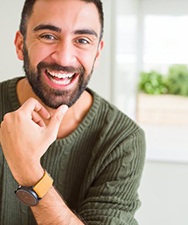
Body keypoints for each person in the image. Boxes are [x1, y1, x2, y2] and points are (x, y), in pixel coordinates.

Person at [0, 0, 146, 224]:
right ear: (20, 45)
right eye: (48, 36)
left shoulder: (123, 139)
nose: (64, 58)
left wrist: (29, 172)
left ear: (97, 53)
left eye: (82, 40)